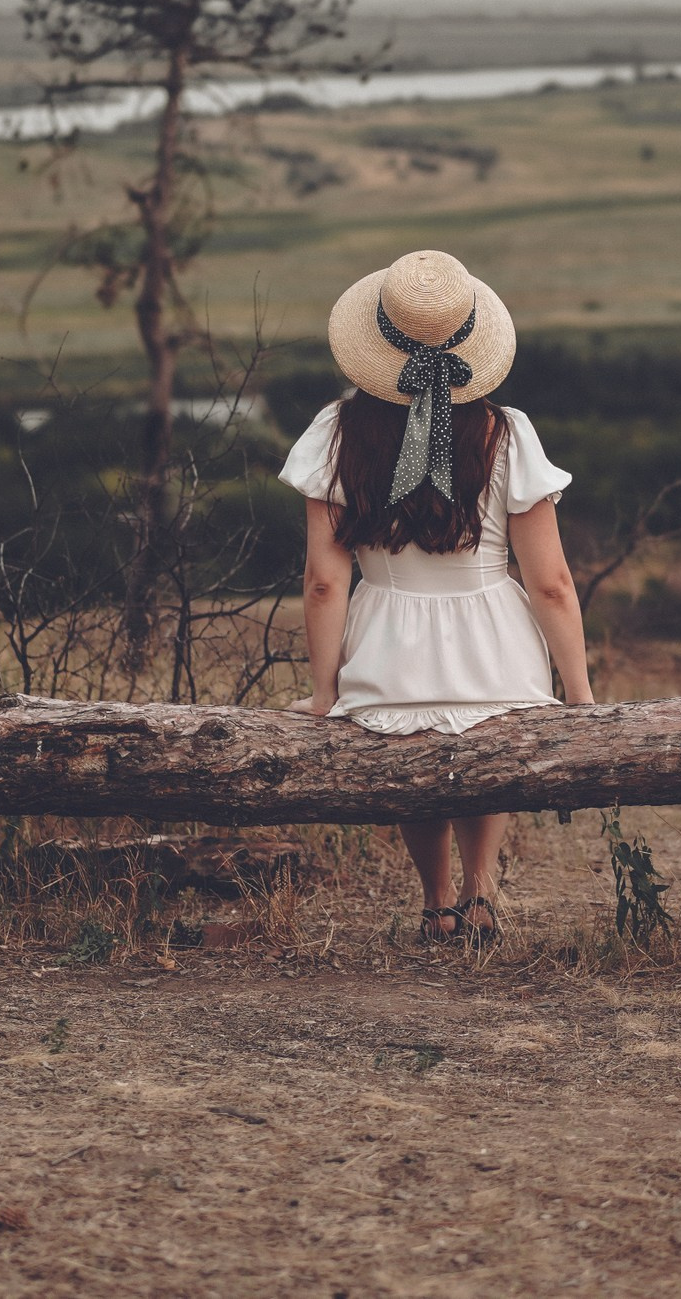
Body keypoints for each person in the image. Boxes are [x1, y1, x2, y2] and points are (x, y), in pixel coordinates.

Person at [279, 250, 594, 944]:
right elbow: (551, 581)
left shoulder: (337, 430)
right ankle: (481, 892)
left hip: (386, 649)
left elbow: (325, 580)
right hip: (497, 649)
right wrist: (580, 695)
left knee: (410, 758)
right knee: (485, 750)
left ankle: (436, 901)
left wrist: (325, 692)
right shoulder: (505, 430)